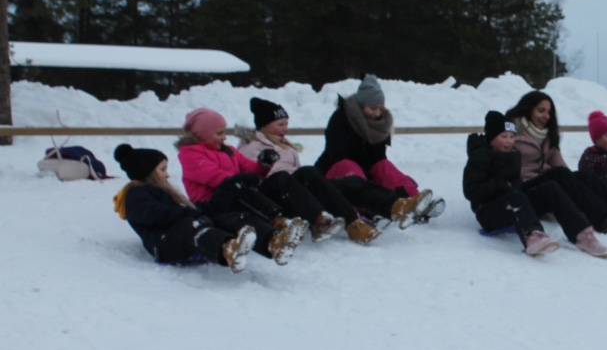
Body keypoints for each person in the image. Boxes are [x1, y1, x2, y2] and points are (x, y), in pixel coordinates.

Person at [237, 96, 429, 243]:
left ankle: (396, 206)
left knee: (349, 183)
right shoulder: (252, 148)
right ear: (264, 126)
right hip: (282, 197)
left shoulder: (283, 145)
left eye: (286, 124)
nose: (286, 129)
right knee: (310, 172)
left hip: (300, 192)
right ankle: (352, 223)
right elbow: (256, 181)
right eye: (280, 124)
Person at [112, 144, 291, 271]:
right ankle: (228, 248)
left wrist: (231, 185)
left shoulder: (166, 193)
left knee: (228, 218)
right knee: (192, 225)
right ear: (147, 172)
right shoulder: (134, 194)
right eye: (162, 169)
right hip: (164, 245)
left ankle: (272, 242)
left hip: (182, 234)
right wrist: (190, 213)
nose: (167, 175)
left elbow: (208, 209)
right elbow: (155, 214)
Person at [175, 107, 329, 250]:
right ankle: (278, 222)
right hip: (212, 203)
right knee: (240, 188)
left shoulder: (229, 151)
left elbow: (252, 170)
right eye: (219, 133)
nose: (224, 137)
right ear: (203, 135)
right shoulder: (190, 154)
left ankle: (316, 218)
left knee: (279, 178)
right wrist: (243, 179)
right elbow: (216, 178)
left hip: (236, 194)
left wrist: (264, 164)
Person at [464, 111, 607, 258]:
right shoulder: (480, 156)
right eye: (504, 136)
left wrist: (516, 187)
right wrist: (501, 184)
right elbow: (471, 191)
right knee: (516, 196)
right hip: (489, 213)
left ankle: (582, 235)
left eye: (512, 136)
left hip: (514, 203)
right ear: (491, 138)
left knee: (550, 187)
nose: (509, 141)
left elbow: (516, 184)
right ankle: (532, 236)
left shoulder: (512, 155)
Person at [505, 91, 607, 234]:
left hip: (548, 183)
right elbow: (503, 164)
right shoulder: (512, 134)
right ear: (528, 109)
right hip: (525, 187)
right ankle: (602, 220)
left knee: (585, 175)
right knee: (560, 174)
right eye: (541, 111)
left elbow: (560, 165)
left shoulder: (548, 135)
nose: (546, 116)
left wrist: (576, 183)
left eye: (549, 112)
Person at [314, 75, 445, 225]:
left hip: (365, 175)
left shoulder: (381, 123)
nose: (377, 113)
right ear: (361, 106)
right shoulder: (341, 118)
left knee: (383, 166)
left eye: (380, 108)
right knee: (348, 167)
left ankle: (413, 202)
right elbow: (338, 155)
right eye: (373, 108)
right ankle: (366, 211)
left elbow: (378, 159)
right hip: (337, 176)